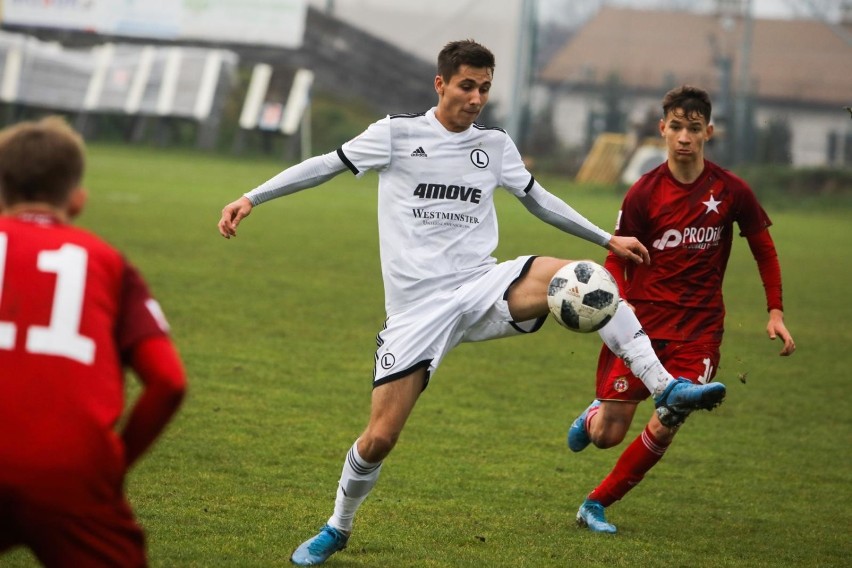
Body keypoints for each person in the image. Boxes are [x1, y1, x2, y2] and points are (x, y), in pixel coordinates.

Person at [217, 41, 726, 566]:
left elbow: (537, 199)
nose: (477, 98)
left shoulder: (495, 144)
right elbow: (325, 165)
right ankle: (337, 527)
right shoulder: (397, 133)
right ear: (440, 84)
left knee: (589, 280)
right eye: (467, 86)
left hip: (484, 284)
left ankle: (668, 387)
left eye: (484, 88)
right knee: (379, 439)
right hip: (416, 311)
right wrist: (251, 197)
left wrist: (605, 239)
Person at [567, 85, 796, 534]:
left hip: (700, 330)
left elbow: (764, 249)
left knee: (670, 417)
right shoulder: (644, 192)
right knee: (606, 436)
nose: (684, 137)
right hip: (642, 327)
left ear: (709, 131)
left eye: (694, 128)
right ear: (663, 130)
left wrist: (775, 311)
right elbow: (617, 253)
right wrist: (616, 297)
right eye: (676, 127)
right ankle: (593, 414)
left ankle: (595, 504)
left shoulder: (731, 190)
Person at [0, 116, 187, 566]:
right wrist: (113, 467)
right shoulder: (109, 264)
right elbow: (168, 382)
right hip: (71, 470)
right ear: (78, 200)